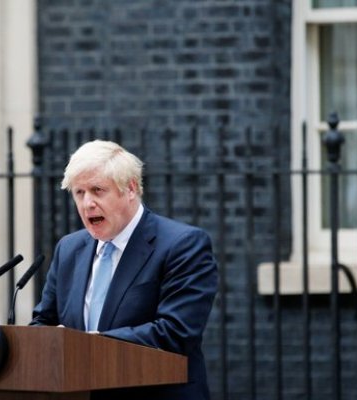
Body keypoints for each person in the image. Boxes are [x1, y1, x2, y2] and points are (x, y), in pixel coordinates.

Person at [30, 139, 218, 400]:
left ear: (130, 189)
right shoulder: (69, 249)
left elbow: (176, 332)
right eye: (79, 193)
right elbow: (44, 322)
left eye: (97, 190)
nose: (87, 204)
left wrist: (88, 345)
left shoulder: (183, 245)